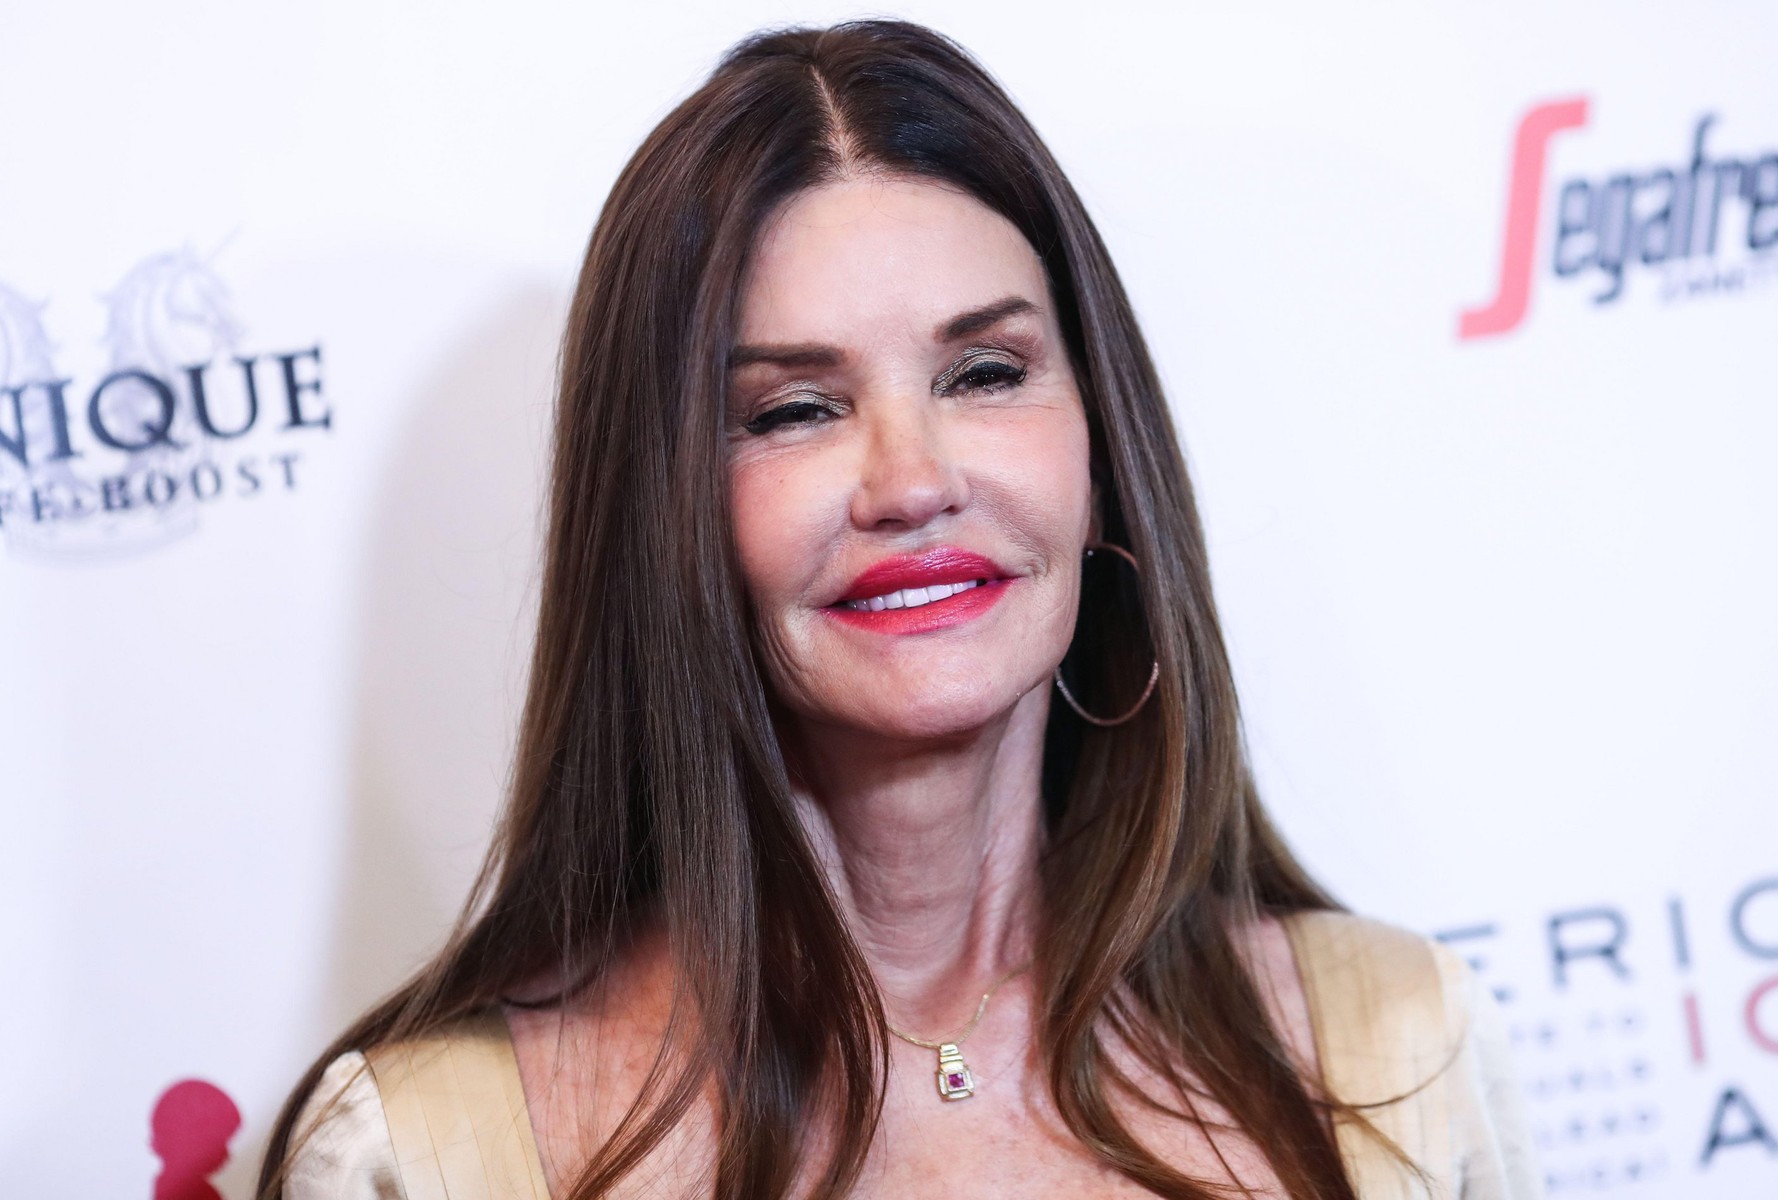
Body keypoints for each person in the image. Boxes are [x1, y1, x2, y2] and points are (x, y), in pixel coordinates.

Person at [259, 18, 1540, 1200]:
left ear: (1101, 456)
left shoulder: (1397, 1058)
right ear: (667, 522)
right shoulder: (425, 1156)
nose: (915, 480)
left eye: (985, 373)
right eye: (795, 410)